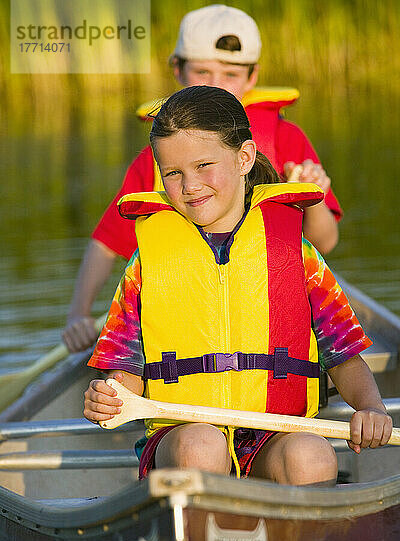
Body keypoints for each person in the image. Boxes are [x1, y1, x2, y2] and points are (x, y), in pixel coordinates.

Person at [83, 86, 392, 487]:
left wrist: (371, 407)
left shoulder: (297, 253)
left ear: (244, 158)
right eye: (172, 173)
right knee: (202, 446)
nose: (189, 186)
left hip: (274, 430)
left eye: (203, 166)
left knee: (311, 455)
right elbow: (124, 368)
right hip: (182, 434)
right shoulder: (146, 262)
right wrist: (110, 396)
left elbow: (344, 352)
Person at [63, 5, 343, 354]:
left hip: (270, 317)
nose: (216, 85)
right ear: (178, 70)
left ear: (252, 76)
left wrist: (316, 196)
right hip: (189, 320)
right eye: (202, 71)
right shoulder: (160, 157)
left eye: (230, 74)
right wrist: (78, 313)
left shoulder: (287, 139)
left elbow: (324, 242)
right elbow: (108, 241)